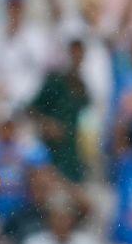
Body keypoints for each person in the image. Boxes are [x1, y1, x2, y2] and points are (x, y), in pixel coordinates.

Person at [27, 36, 90, 182]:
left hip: (73, 156)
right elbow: (31, 109)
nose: (76, 58)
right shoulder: (54, 81)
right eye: (73, 53)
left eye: (80, 54)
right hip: (52, 153)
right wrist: (47, 123)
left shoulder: (83, 87)